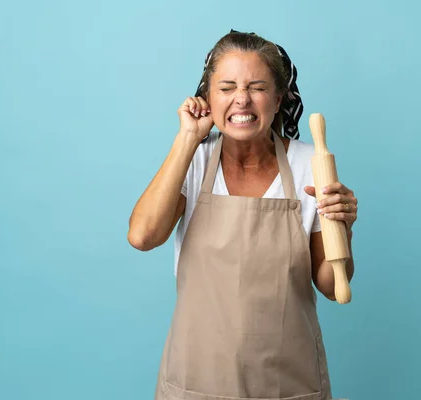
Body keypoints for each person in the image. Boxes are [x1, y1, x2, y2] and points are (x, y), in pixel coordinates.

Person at [128, 30, 359, 400]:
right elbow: (143, 236)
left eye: (257, 87)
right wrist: (188, 138)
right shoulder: (195, 161)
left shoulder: (308, 166)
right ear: (206, 97)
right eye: (227, 87)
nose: (241, 99)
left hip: (287, 381)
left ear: (279, 97)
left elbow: (333, 287)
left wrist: (343, 229)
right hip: (196, 379)